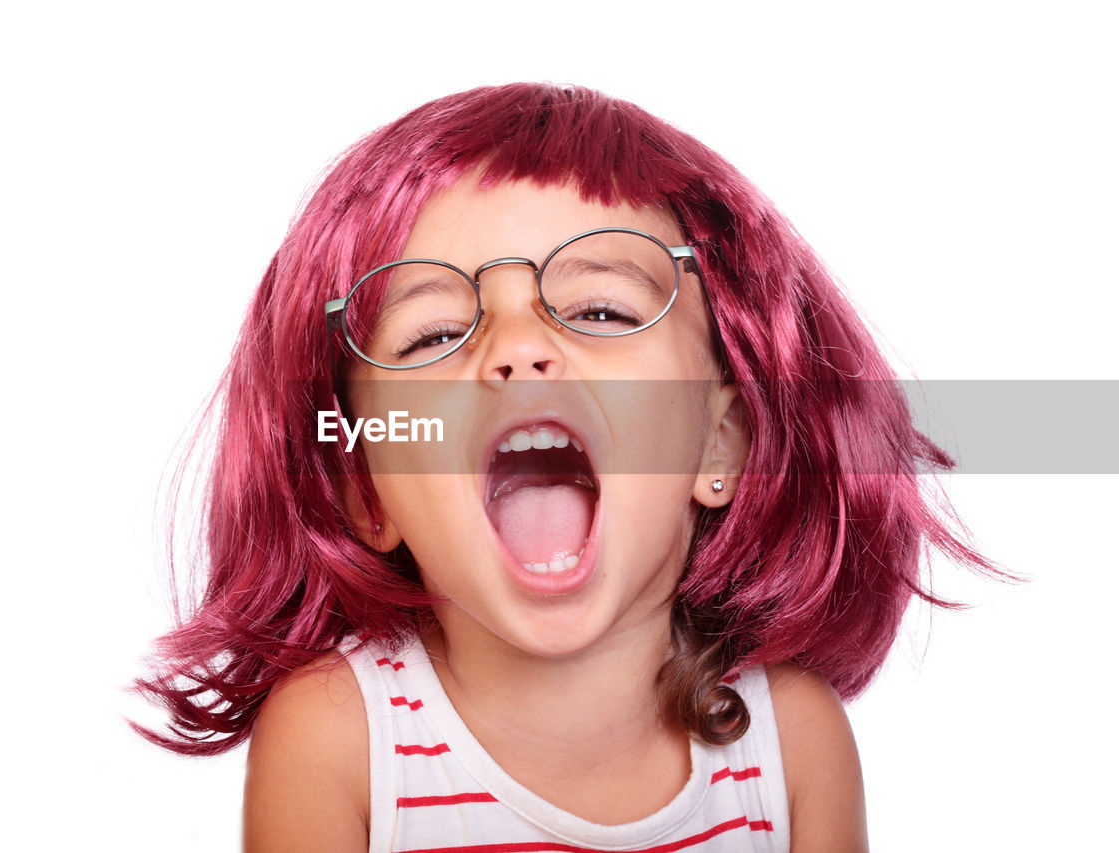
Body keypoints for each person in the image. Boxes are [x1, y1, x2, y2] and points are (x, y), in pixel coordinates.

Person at [135, 83, 992, 852]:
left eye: (599, 309)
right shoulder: (340, 740)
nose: (518, 348)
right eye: (435, 334)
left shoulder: (790, 743)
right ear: (366, 487)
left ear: (719, 444)